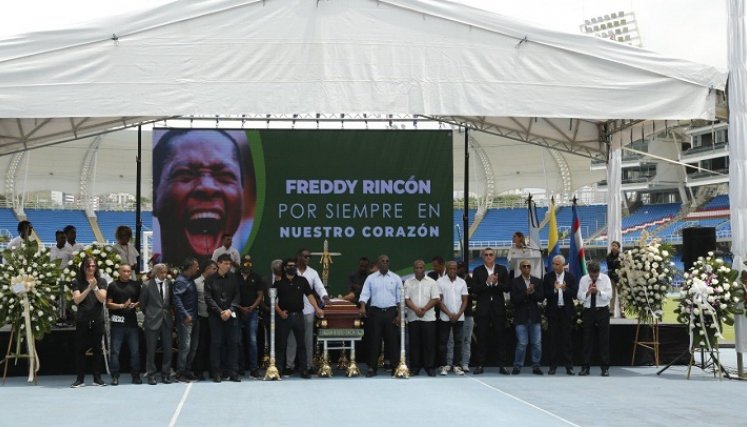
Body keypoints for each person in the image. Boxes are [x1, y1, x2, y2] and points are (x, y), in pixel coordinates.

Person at [153, 129, 254, 265]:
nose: (207, 187)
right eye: (185, 173)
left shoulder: (245, 276)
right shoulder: (150, 281)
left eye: (224, 175)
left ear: (242, 197)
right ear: (154, 197)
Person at [274, 258, 324, 379]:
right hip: (284, 317)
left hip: (299, 316)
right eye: (290, 266)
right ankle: (279, 370)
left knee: (302, 344)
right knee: (281, 344)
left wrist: (317, 308)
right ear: (285, 268)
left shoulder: (302, 281)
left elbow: (310, 295)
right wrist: (280, 313)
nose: (293, 268)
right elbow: (272, 300)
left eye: (294, 266)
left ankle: (304, 370)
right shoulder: (278, 282)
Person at [286, 248, 328, 376]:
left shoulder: (312, 273)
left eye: (309, 257)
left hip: (309, 310)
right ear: (298, 257)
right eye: (305, 256)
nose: (307, 259)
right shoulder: (291, 271)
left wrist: (324, 296)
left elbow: (319, 287)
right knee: (292, 339)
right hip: (293, 310)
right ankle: (290, 365)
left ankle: (308, 366)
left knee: (308, 340)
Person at [359, 254, 402, 377]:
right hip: (375, 312)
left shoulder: (396, 278)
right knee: (374, 341)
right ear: (378, 263)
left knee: (392, 341)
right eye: (382, 261)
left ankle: (395, 367)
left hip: (391, 312)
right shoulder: (371, 278)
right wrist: (362, 307)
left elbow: (399, 298)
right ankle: (372, 368)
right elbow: (364, 294)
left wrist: (399, 315)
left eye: (387, 261)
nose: (385, 263)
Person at [70, 256, 108, 388]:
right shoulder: (77, 282)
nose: (91, 269)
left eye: (93, 266)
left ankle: (97, 378)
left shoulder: (101, 281)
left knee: (97, 349)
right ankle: (80, 379)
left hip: (97, 318)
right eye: (88, 266)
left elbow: (102, 299)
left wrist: (95, 287)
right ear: (83, 268)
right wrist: (88, 288)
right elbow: (77, 300)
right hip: (83, 319)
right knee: (80, 349)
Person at [471, 248, 510, 375]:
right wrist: (487, 283)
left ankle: (502, 365)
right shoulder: (477, 270)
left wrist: (496, 282)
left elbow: (507, 288)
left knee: (501, 337)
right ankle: (480, 364)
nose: (488, 256)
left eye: (491, 255)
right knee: (481, 337)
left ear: (495, 256)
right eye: (486, 255)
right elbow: (475, 290)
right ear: (482, 256)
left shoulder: (502, 269)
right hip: (483, 309)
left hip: (498, 308)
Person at [204, 253, 242, 382]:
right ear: (218, 264)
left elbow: (237, 296)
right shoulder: (210, 279)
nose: (228, 266)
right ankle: (216, 372)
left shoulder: (234, 278)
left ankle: (233, 372)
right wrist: (220, 312)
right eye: (225, 264)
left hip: (231, 315)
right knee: (216, 344)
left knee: (233, 344)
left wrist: (230, 310)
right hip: (216, 317)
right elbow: (208, 298)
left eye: (229, 264)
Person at [105, 263, 142, 385]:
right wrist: (122, 305)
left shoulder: (136, 285)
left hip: (132, 324)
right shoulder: (113, 286)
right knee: (115, 351)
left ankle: (135, 376)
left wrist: (136, 305)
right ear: (119, 272)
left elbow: (141, 301)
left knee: (135, 351)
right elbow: (108, 304)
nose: (127, 273)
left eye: (128, 271)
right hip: (117, 324)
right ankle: (115, 376)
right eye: (124, 271)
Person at [542, 255, 578, 375]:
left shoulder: (570, 277)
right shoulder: (548, 277)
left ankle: (569, 366)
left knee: (567, 340)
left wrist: (565, 288)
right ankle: (553, 366)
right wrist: (554, 290)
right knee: (552, 339)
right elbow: (544, 294)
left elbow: (575, 293)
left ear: (563, 265)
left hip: (566, 311)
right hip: (553, 311)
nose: (554, 266)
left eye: (557, 264)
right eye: (553, 264)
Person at [140, 263, 175, 385]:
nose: (164, 274)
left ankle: (166, 374)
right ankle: (151, 375)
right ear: (155, 272)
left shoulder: (169, 283)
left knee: (168, 349)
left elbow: (170, 302)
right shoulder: (146, 285)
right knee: (151, 350)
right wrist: (150, 314)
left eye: (165, 272)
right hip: (152, 320)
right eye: (161, 272)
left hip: (166, 320)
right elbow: (142, 304)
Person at [403, 259, 439, 377]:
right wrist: (416, 309)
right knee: (414, 344)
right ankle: (415, 367)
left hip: (428, 318)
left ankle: (430, 367)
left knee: (429, 344)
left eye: (421, 267)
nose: (419, 269)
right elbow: (406, 299)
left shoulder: (432, 282)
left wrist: (424, 309)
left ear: (424, 268)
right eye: (417, 267)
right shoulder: (408, 282)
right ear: (414, 269)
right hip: (413, 317)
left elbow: (435, 298)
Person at [577, 261, 613, 376]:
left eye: (596, 275)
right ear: (588, 272)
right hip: (588, 311)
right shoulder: (583, 279)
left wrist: (598, 292)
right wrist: (588, 292)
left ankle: (605, 368)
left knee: (604, 340)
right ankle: (585, 367)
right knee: (587, 339)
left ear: (599, 272)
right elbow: (579, 296)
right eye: (592, 275)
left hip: (602, 310)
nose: (594, 277)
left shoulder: (605, 279)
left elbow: (609, 295)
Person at [510, 260, 544, 375]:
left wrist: (533, 293)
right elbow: (514, 300)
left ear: (531, 268)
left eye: (528, 266)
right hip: (521, 317)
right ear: (520, 268)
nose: (526, 268)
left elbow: (541, 298)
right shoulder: (514, 282)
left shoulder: (537, 281)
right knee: (522, 343)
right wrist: (526, 292)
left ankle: (536, 366)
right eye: (524, 266)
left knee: (537, 343)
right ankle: (517, 366)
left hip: (534, 316)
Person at [437, 261, 469, 376]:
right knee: (443, 342)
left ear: (457, 269)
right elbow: (439, 301)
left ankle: (456, 365)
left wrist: (459, 313)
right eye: (450, 268)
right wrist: (450, 314)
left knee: (458, 342)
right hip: (445, 317)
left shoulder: (462, 282)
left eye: (454, 268)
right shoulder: (440, 282)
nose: (452, 270)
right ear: (447, 268)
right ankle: (444, 365)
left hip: (459, 317)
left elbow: (465, 300)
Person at [172, 257, 200, 382]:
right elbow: (177, 300)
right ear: (190, 267)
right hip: (186, 319)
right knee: (185, 347)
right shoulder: (181, 281)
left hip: (194, 317)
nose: (198, 268)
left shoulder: (190, 280)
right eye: (196, 266)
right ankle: (180, 372)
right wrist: (185, 315)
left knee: (193, 347)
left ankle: (187, 370)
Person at [237, 254, 265, 378]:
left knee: (252, 340)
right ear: (241, 264)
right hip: (237, 312)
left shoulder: (256, 277)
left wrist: (252, 307)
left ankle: (254, 368)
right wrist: (240, 308)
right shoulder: (234, 277)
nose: (247, 266)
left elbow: (260, 295)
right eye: (245, 263)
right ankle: (240, 367)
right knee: (238, 341)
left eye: (249, 263)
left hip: (252, 312)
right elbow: (231, 294)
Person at [192, 260, 218, 380]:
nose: (215, 271)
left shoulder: (216, 281)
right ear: (207, 269)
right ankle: (199, 371)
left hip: (215, 318)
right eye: (213, 268)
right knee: (201, 345)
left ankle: (214, 371)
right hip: (201, 317)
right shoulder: (196, 283)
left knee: (214, 345)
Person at [447, 261, 474, 373]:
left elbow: (475, 294)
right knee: (451, 341)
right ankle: (450, 363)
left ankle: (465, 363)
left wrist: (470, 294)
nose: (459, 270)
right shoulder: (451, 281)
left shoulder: (469, 281)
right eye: (458, 268)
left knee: (466, 340)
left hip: (467, 315)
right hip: (452, 315)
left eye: (462, 268)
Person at [606, 241, 623, 318]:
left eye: (615, 245)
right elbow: (610, 266)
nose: (613, 247)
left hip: (620, 278)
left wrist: (615, 263)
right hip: (612, 277)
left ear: (618, 247)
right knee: (612, 295)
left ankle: (622, 311)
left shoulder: (621, 255)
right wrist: (616, 263)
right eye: (612, 245)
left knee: (621, 295)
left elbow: (621, 266)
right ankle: (611, 311)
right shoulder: (608, 256)